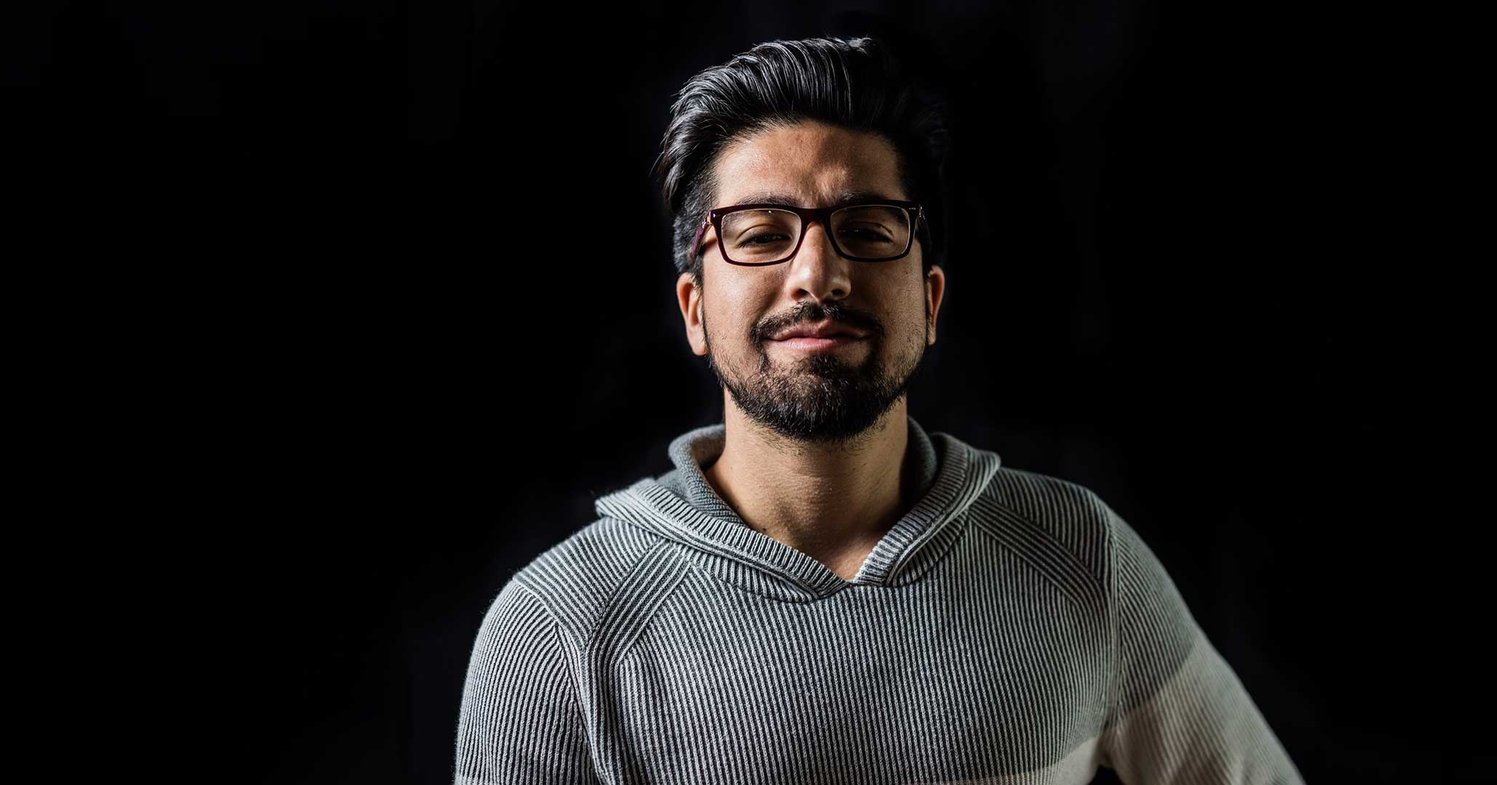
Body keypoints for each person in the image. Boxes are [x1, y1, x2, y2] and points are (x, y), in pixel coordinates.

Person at [453, 35, 1305, 785]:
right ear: (694, 310)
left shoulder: (1082, 559)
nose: (818, 274)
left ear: (930, 300)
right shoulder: (557, 630)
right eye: (761, 233)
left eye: (865, 229)